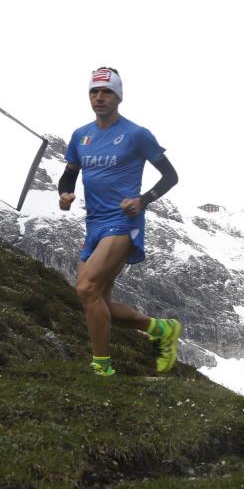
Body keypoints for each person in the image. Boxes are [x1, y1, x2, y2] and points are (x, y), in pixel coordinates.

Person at [58, 67, 181, 377]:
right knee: (97, 301)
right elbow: (69, 174)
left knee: (86, 289)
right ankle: (161, 329)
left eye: (107, 92)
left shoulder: (136, 134)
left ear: (118, 97)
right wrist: (64, 194)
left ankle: (102, 368)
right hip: (94, 223)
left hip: (124, 222)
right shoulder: (80, 136)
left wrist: (143, 199)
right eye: (94, 92)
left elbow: (171, 176)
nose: (99, 97)